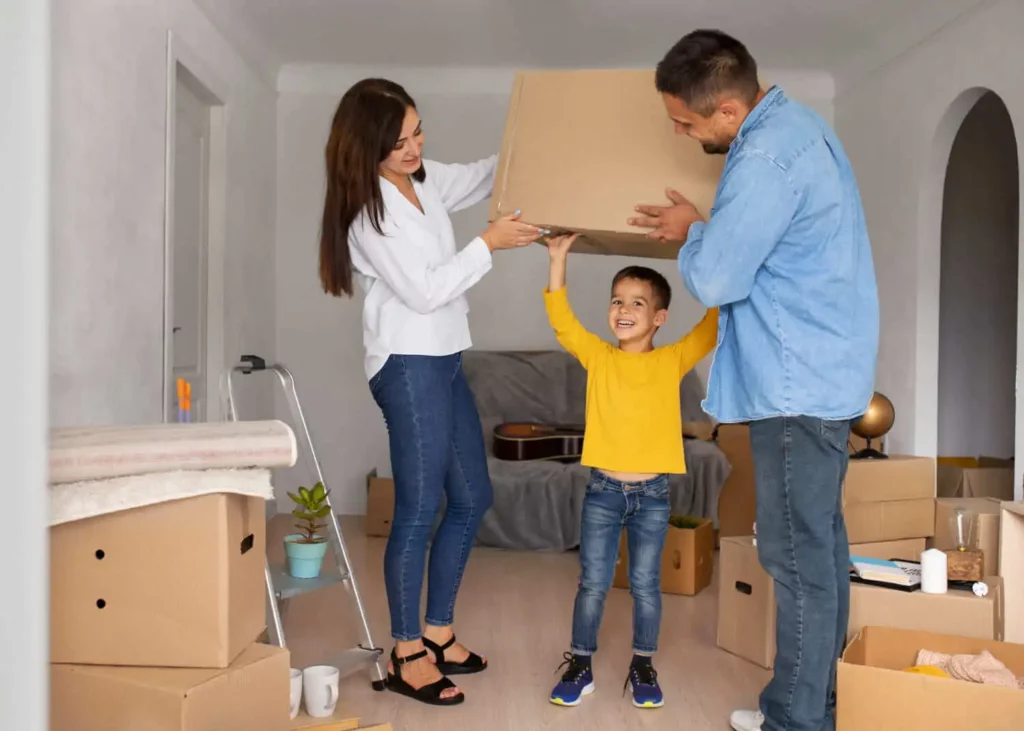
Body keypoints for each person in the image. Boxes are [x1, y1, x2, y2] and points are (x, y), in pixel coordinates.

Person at [628, 30, 879, 731]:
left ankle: (796, 722)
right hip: (823, 377)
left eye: (685, 120)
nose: (680, 132)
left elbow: (714, 277)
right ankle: (812, 706)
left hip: (797, 386)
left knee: (797, 560)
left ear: (730, 110)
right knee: (819, 552)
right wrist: (708, 223)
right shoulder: (800, 128)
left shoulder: (764, 157)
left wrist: (692, 233)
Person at [318, 78, 541, 707]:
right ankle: (406, 648)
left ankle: (439, 632)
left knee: (472, 496)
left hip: (443, 357)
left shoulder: (420, 179)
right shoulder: (368, 213)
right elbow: (423, 291)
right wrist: (488, 243)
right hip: (407, 364)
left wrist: (539, 144)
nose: (414, 147)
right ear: (367, 146)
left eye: (418, 131)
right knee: (419, 507)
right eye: (399, 140)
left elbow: (479, 176)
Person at [542, 233, 718, 710]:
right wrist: (559, 260)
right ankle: (581, 664)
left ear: (659, 318)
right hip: (602, 491)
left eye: (637, 303)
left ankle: (643, 663)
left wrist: (716, 249)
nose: (623, 309)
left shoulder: (671, 360)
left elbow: (712, 323)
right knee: (593, 583)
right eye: (617, 300)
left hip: (653, 497)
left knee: (645, 586)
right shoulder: (598, 356)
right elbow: (562, 320)